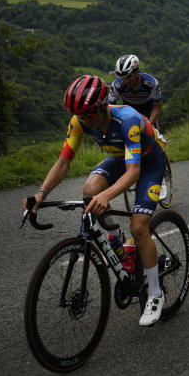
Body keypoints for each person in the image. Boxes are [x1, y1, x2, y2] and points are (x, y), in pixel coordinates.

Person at [25, 75, 169, 325]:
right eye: (79, 115)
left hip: (149, 163)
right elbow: (63, 162)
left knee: (139, 227)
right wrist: (41, 193)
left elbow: (133, 172)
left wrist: (107, 195)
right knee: (90, 189)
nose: (85, 120)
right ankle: (115, 240)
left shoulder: (128, 121)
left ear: (103, 105)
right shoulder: (80, 120)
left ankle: (156, 293)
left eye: (89, 114)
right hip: (120, 157)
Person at [108, 54, 163, 131]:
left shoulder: (152, 83)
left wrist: (148, 128)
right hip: (128, 110)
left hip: (148, 109)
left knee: (151, 138)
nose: (126, 80)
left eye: (129, 76)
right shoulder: (117, 85)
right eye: (122, 77)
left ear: (137, 72)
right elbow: (110, 108)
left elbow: (157, 108)